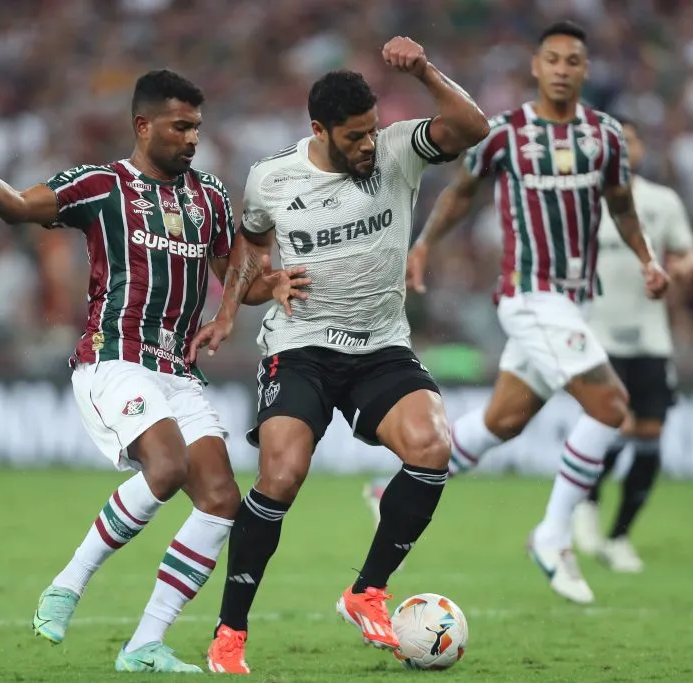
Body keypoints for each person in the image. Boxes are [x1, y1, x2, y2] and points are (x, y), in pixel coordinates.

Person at [0, 69, 309, 673]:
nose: (192, 138)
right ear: (143, 126)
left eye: (196, 127)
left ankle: (145, 643)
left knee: (222, 500)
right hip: (115, 357)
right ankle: (67, 584)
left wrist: (269, 283)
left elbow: (235, 278)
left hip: (178, 370)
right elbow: (18, 207)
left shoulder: (209, 196)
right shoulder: (102, 185)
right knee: (167, 466)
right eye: (179, 126)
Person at [187, 37, 489, 674]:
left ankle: (367, 591)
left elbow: (472, 126)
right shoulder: (273, 178)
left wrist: (425, 70)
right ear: (319, 130)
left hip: (381, 346)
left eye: (371, 130)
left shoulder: (399, 150)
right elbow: (250, 248)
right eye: (354, 136)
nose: (368, 145)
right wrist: (230, 310)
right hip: (301, 347)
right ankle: (230, 631)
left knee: (432, 447)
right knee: (281, 476)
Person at [364, 21, 669, 605]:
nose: (561, 69)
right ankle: (552, 536)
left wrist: (647, 259)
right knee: (610, 406)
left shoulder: (605, 136)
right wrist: (423, 245)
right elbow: (461, 192)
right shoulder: (505, 133)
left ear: (584, 70)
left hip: (574, 300)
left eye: (572, 61)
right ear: (536, 67)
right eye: (552, 59)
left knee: (503, 420)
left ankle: (388, 492)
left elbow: (622, 205)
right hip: (529, 296)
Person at [572, 118, 693, 573]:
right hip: (599, 337)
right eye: (615, 142)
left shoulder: (663, 202)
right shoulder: (581, 201)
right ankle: (583, 500)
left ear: (642, 148)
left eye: (630, 141)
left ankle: (619, 536)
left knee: (649, 434)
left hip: (651, 337)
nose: (624, 148)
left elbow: (687, 251)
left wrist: (682, 268)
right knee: (612, 425)